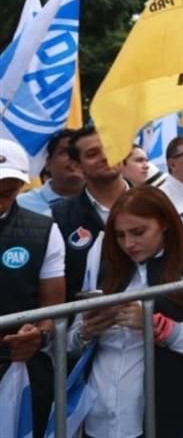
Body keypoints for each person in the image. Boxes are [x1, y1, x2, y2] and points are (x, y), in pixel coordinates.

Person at [69, 186, 183, 438]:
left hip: (170, 413)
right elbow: (70, 338)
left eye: (138, 232)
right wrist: (86, 330)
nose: (129, 243)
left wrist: (154, 324)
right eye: (120, 235)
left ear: (165, 224)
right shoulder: (105, 266)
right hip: (100, 412)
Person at [0, 139, 66, 436]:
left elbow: (51, 310)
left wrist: (38, 335)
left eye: (7, 191)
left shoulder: (44, 231)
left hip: (19, 369)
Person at [52, 126, 129, 300]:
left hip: (147, 317)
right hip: (87, 321)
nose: (105, 157)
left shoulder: (154, 204)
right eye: (92, 154)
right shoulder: (59, 217)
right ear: (76, 166)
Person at [17, 128, 84, 216]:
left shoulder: (104, 205)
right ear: (48, 163)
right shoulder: (19, 205)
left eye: (79, 153)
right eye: (65, 152)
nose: (74, 159)